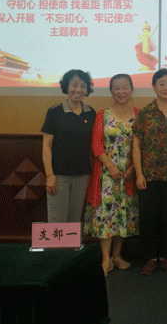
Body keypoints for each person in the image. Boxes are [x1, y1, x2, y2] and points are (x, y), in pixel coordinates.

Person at [132, 69, 167, 275]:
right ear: (154, 87)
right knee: (148, 218)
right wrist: (139, 173)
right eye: (162, 84)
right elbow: (136, 144)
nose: (166, 88)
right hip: (149, 174)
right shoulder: (145, 113)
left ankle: (165, 257)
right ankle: (149, 258)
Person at [84, 74, 139, 276]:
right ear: (111, 91)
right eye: (117, 88)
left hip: (128, 175)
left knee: (123, 215)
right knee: (106, 215)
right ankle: (105, 258)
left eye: (125, 87)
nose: (121, 92)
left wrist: (133, 168)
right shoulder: (102, 115)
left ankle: (117, 256)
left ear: (131, 89)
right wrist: (111, 167)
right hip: (106, 175)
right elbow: (96, 145)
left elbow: (141, 145)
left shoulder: (139, 114)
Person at [42, 69, 96, 223]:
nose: (78, 89)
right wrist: (50, 175)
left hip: (82, 175)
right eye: (74, 85)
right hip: (58, 175)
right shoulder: (54, 112)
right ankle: (56, 242)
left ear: (87, 89)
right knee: (57, 219)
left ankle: (71, 241)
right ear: (66, 86)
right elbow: (46, 146)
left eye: (83, 86)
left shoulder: (91, 113)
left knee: (74, 219)